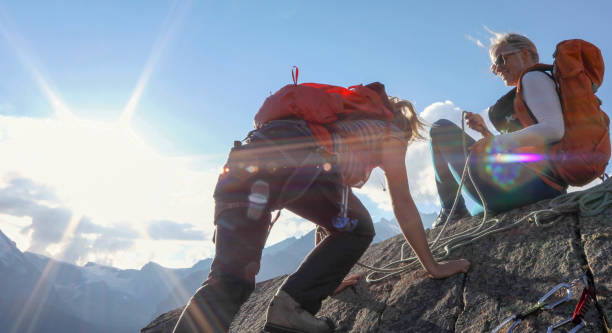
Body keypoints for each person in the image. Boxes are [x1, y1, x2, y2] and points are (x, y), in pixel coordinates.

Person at [172, 83, 471, 333]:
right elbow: (402, 202)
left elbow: (328, 211)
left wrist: (329, 276)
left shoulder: (329, 126)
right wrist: (433, 266)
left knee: (230, 280)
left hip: (242, 164)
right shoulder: (390, 133)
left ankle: (289, 308)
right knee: (361, 228)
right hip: (300, 161)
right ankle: (291, 308)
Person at [430, 33, 567, 227]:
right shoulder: (537, 83)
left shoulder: (533, 77)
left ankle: (451, 210)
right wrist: (485, 133)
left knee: (440, 129)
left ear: (526, 54)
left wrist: (496, 142)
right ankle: (457, 211)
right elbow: (528, 153)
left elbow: (554, 129)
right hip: (540, 186)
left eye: (501, 60)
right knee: (479, 210)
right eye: (494, 66)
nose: (498, 69)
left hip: (535, 186)